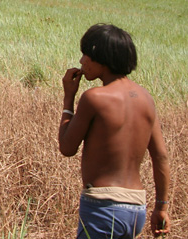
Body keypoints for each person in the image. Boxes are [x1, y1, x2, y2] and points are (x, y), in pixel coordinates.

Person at [58, 24, 171, 239]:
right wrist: (161, 207)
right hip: (136, 209)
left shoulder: (95, 98)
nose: (82, 61)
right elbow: (161, 156)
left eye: (86, 54)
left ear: (103, 59)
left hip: (103, 207)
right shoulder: (146, 99)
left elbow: (67, 147)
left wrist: (68, 98)